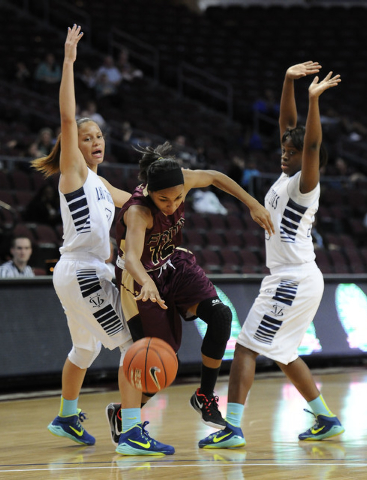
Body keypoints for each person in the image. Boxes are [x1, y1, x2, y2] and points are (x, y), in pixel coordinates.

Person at [198, 61, 344, 449]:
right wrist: (287, 82)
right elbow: (289, 125)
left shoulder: (304, 184)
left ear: (307, 159)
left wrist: (314, 101)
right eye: (283, 148)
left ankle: (232, 427)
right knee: (281, 352)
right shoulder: (286, 173)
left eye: (291, 151)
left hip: (291, 278)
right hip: (295, 276)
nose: (285, 152)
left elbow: (310, 143)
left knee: (246, 346)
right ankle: (326, 417)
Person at [105, 141, 274, 454]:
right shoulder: (139, 213)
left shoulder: (182, 179)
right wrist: (147, 282)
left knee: (221, 316)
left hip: (172, 264)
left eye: (179, 197)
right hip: (138, 281)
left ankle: (205, 396)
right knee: (160, 366)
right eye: (164, 199)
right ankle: (123, 413)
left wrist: (252, 203)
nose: (172, 204)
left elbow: (215, 177)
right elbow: (130, 260)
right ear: (150, 193)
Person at [31, 25, 135, 451]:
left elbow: (140, 203)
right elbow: (67, 117)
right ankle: (131, 431)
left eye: (99, 137)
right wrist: (70, 62)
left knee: (84, 350)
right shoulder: (72, 172)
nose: (95, 142)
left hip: (83, 273)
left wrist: (176, 195)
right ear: (74, 145)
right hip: (84, 274)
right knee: (135, 348)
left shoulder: (103, 183)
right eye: (87, 137)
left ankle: (66, 416)